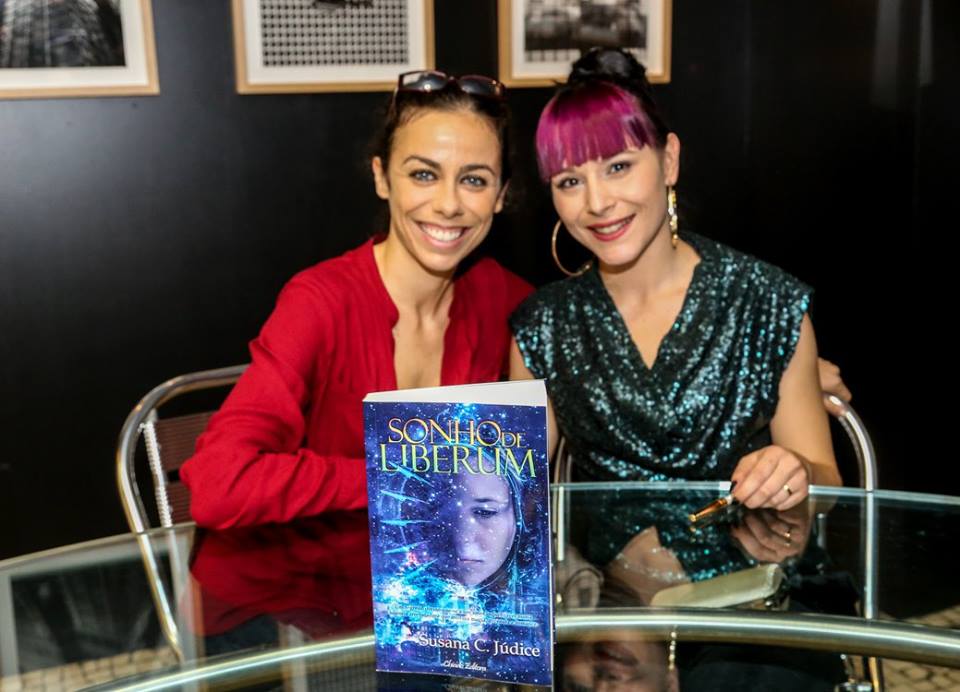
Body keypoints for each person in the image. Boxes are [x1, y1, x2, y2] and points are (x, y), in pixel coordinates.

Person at [181, 70, 531, 529]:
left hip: (456, 587)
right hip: (324, 583)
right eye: (424, 174)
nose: (449, 204)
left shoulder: (510, 301)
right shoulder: (320, 303)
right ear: (382, 177)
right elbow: (219, 485)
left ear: (501, 195)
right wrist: (400, 480)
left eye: (474, 180)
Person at [510, 48, 842, 509]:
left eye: (618, 167)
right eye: (570, 181)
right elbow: (510, 496)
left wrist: (797, 472)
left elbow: (828, 489)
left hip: (752, 575)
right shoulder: (542, 326)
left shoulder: (766, 303)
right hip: (609, 581)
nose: (597, 202)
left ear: (669, 161)